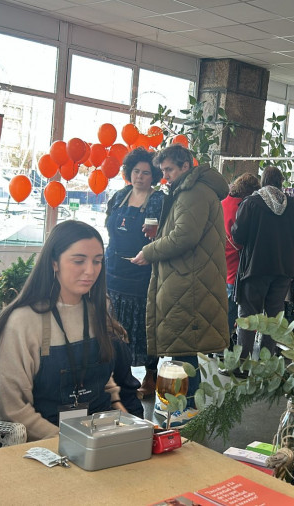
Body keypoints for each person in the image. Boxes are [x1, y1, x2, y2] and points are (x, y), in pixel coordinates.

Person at [0, 221, 135, 441]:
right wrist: (69, 442)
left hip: (101, 437)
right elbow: (12, 409)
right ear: (54, 262)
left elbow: (104, 382)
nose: (90, 271)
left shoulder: (98, 309)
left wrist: (131, 426)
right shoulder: (22, 321)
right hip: (44, 446)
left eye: (97, 261)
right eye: (79, 261)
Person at [131, 144, 229, 418]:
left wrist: (149, 252)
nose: (165, 176)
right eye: (162, 171)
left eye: (169, 170)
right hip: (190, 281)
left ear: (186, 166)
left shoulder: (193, 192)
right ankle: (185, 408)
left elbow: (184, 237)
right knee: (183, 350)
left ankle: (186, 410)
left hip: (189, 284)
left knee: (183, 351)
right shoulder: (192, 190)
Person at [103, 147, 164, 399]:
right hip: (113, 270)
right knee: (116, 325)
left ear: (154, 176)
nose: (140, 176)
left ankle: (151, 376)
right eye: (136, 171)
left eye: (146, 173)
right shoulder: (119, 195)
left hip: (142, 272)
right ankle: (122, 374)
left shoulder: (158, 200)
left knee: (143, 327)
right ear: (129, 173)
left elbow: (164, 235)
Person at [230, 166, 294, 367]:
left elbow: (238, 235)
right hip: (283, 271)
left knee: (248, 317)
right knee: (273, 319)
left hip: (255, 269)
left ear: (263, 181)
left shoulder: (251, 203)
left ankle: (241, 364)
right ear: (281, 183)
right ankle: (265, 364)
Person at [222, 172, 260, 346]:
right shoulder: (243, 207)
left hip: (222, 259)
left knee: (223, 307)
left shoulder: (222, 203)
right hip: (237, 261)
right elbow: (241, 237)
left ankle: (220, 343)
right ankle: (226, 344)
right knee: (233, 308)